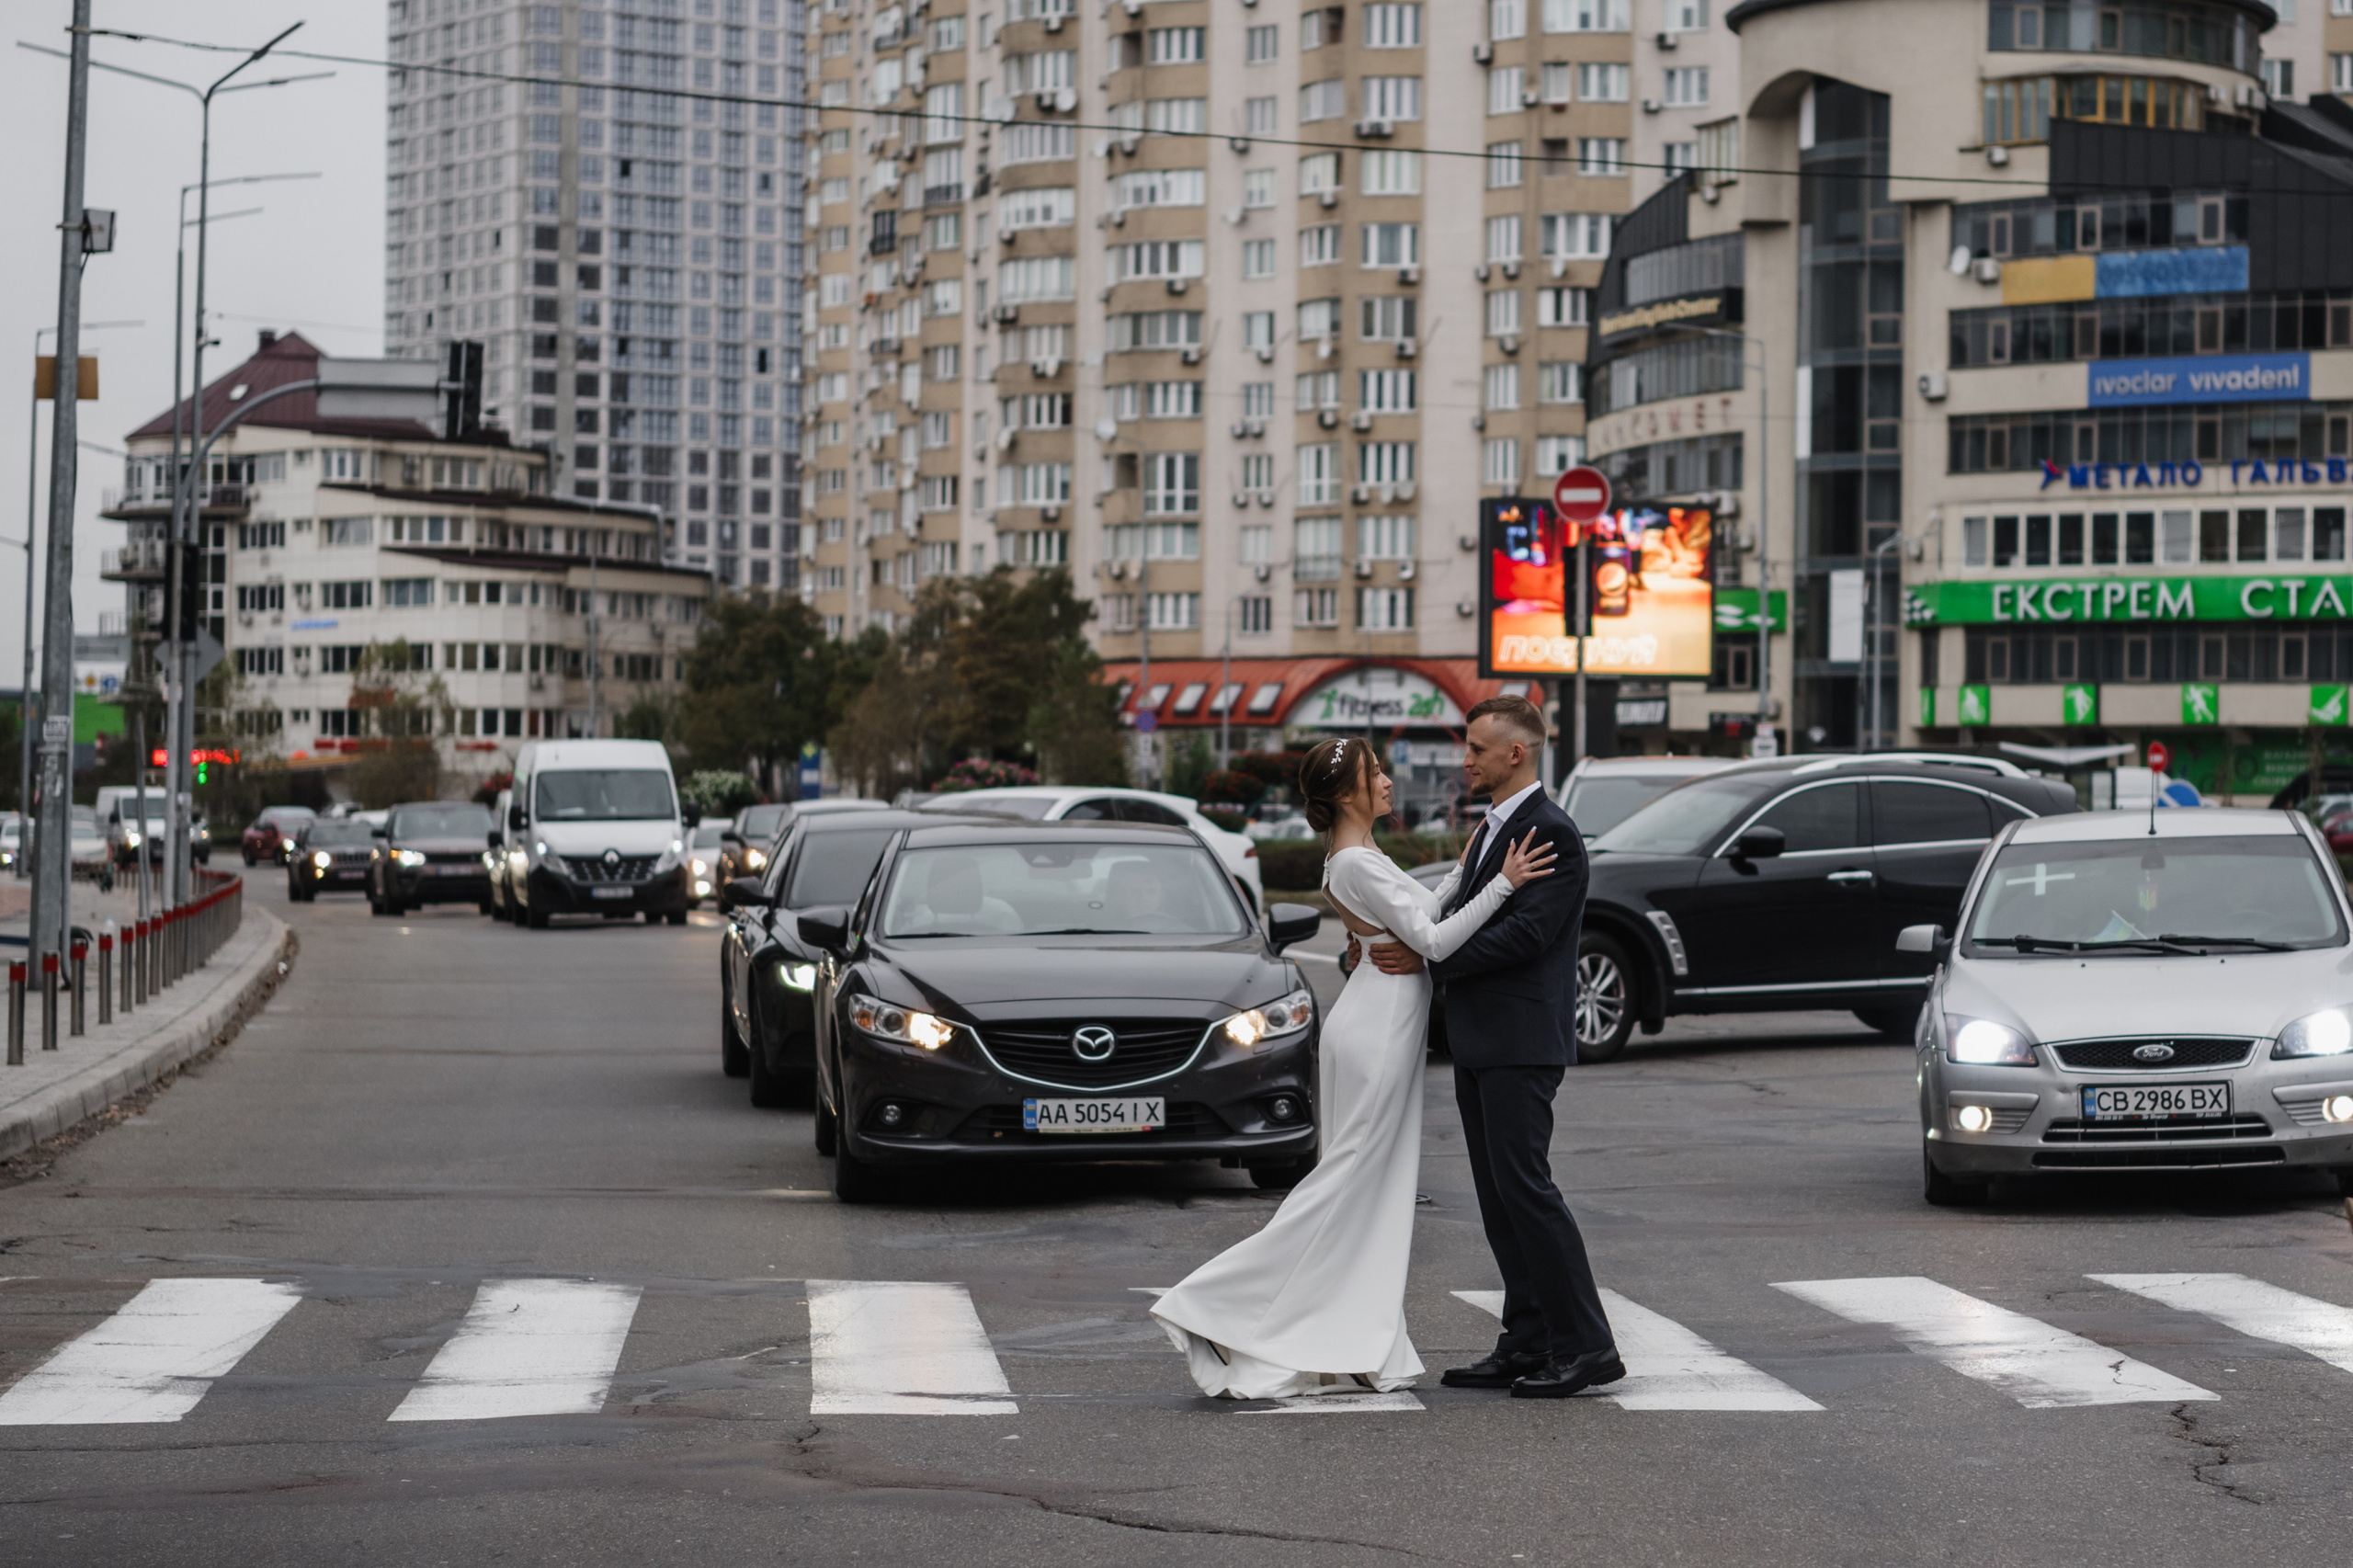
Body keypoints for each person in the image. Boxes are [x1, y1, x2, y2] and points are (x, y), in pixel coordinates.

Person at [1150, 736, 1555, 1398]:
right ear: (1346, 795)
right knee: (1347, 1182)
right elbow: (1432, 940)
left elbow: (1420, 913)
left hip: (1378, 1023)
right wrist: (1504, 884)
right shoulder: (1354, 863)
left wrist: (1463, 870)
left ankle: (1357, 1336)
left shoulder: (1361, 856)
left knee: (1370, 1188)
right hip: (1378, 1030)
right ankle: (1210, 1306)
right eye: (1376, 774)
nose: (1389, 782)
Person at [1354, 695, 1622, 1398]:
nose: (1465, 759)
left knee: (1527, 1190)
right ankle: (1527, 1341)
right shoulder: (1495, 828)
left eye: (1476, 748)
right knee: (1502, 1198)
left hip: (1521, 1039)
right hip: (1484, 1038)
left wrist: (1430, 961)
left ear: (1516, 754)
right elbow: (1453, 908)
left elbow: (1526, 936)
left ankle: (1587, 1347)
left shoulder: (1550, 833)